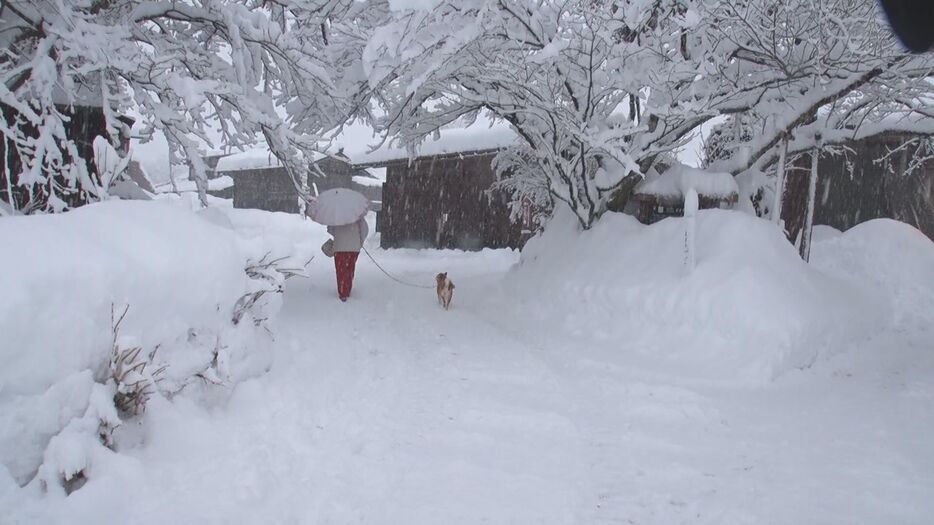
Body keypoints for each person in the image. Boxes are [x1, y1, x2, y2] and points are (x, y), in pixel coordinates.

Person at [327, 217, 369, 301]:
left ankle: (343, 293)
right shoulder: (357, 213)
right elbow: (365, 229)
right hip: (354, 247)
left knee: (341, 271)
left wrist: (339, 233)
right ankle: (348, 289)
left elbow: (330, 229)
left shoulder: (336, 213)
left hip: (339, 247)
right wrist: (360, 241)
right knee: (350, 269)